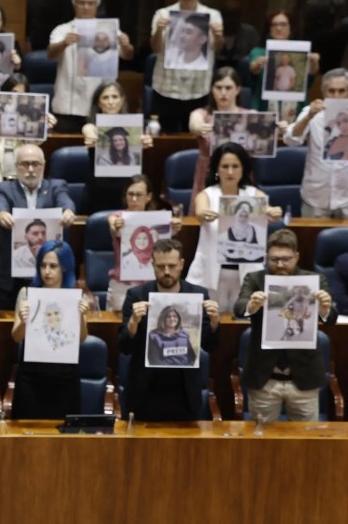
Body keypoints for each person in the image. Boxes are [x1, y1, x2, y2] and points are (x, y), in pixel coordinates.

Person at [233, 228, 338, 422]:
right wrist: (251, 306)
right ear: (267, 257)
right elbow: (239, 308)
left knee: (305, 438)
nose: (280, 265)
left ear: (296, 257)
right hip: (264, 377)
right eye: (274, 259)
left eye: (286, 259)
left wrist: (324, 309)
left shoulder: (314, 281)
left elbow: (330, 318)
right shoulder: (255, 279)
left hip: (304, 376)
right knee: (262, 435)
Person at [119, 239, 220, 420]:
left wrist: (214, 323)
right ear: (152, 265)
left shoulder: (198, 295)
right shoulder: (136, 295)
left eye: (172, 266)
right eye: (160, 266)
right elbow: (124, 347)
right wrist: (133, 322)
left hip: (184, 391)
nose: (166, 271)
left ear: (181, 264)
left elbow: (209, 345)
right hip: (145, 391)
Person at [187, 142, 283, 312]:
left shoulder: (254, 194)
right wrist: (204, 214)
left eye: (235, 166)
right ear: (217, 169)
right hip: (211, 274)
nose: (230, 172)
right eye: (225, 166)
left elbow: (269, 210)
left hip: (245, 274)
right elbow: (200, 211)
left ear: (243, 169)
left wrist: (274, 211)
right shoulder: (207, 195)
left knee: (244, 320)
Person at [0, 144, 77, 309]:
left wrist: (69, 211)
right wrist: (1, 214)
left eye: (35, 164)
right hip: (11, 276)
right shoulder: (4, 188)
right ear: (16, 167)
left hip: (48, 274)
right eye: (25, 164)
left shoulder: (56, 186)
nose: (30, 169)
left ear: (43, 165)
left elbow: (65, 201)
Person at [10, 241, 90, 419]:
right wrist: (24, 322)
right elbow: (16, 337)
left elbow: (82, 338)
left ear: (65, 268)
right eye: (43, 265)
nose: (46, 271)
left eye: (53, 266)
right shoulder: (26, 293)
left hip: (65, 377)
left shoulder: (76, 297)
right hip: (31, 376)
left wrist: (80, 317)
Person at [47, 0, 135, 133]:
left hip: (102, 106)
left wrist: (127, 45)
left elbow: (128, 55)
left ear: (97, 4)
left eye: (90, 3)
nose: (86, 7)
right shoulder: (62, 30)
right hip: (68, 107)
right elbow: (50, 54)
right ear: (74, 3)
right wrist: (64, 43)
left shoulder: (110, 29)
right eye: (81, 2)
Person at [0, 74, 58, 216]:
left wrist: (44, 125)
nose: (16, 99)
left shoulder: (29, 120)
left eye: (21, 96)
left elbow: (36, 142)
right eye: (13, 94)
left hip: (19, 188)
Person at [149, 0, 224, 133]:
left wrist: (218, 36)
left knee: (197, 137)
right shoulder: (162, 14)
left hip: (198, 89)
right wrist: (159, 31)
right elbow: (155, 48)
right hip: (166, 88)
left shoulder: (212, 15)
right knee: (163, 139)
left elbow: (217, 48)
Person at [106, 175, 182, 311]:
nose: (134, 199)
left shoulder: (160, 220)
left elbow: (172, 235)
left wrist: (175, 227)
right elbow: (113, 223)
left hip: (152, 284)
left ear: (148, 197)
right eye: (130, 194)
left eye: (139, 195)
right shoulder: (118, 217)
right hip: (122, 286)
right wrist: (115, 225)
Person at [283, 68, 348, 218]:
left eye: (341, 91)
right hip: (315, 197)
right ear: (324, 92)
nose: (336, 96)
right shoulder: (311, 112)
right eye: (331, 91)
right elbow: (290, 140)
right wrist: (308, 117)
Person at [81, 81, 154, 213]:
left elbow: (142, 141)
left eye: (114, 97)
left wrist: (145, 142)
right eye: (105, 97)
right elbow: (88, 131)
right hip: (99, 190)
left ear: (122, 100)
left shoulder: (134, 126)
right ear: (98, 103)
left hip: (127, 189)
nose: (111, 102)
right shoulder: (91, 125)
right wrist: (91, 137)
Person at [187, 67, 250, 210]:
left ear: (238, 90)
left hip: (239, 173)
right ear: (212, 89)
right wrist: (199, 127)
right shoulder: (202, 114)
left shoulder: (249, 116)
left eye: (228, 88)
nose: (223, 93)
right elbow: (194, 124)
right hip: (209, 172)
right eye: (218, 87)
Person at [248, 10, 320, 115]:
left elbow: (309, 77)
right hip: (265, 105)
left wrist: (314, 62)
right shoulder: (259, 52)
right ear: (269, 29)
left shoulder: (300, 52)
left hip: (295, 106)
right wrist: (257, 64)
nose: (278, 28)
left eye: (283, 24)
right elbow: (254, 69)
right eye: (274, 25)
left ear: (290, 28)